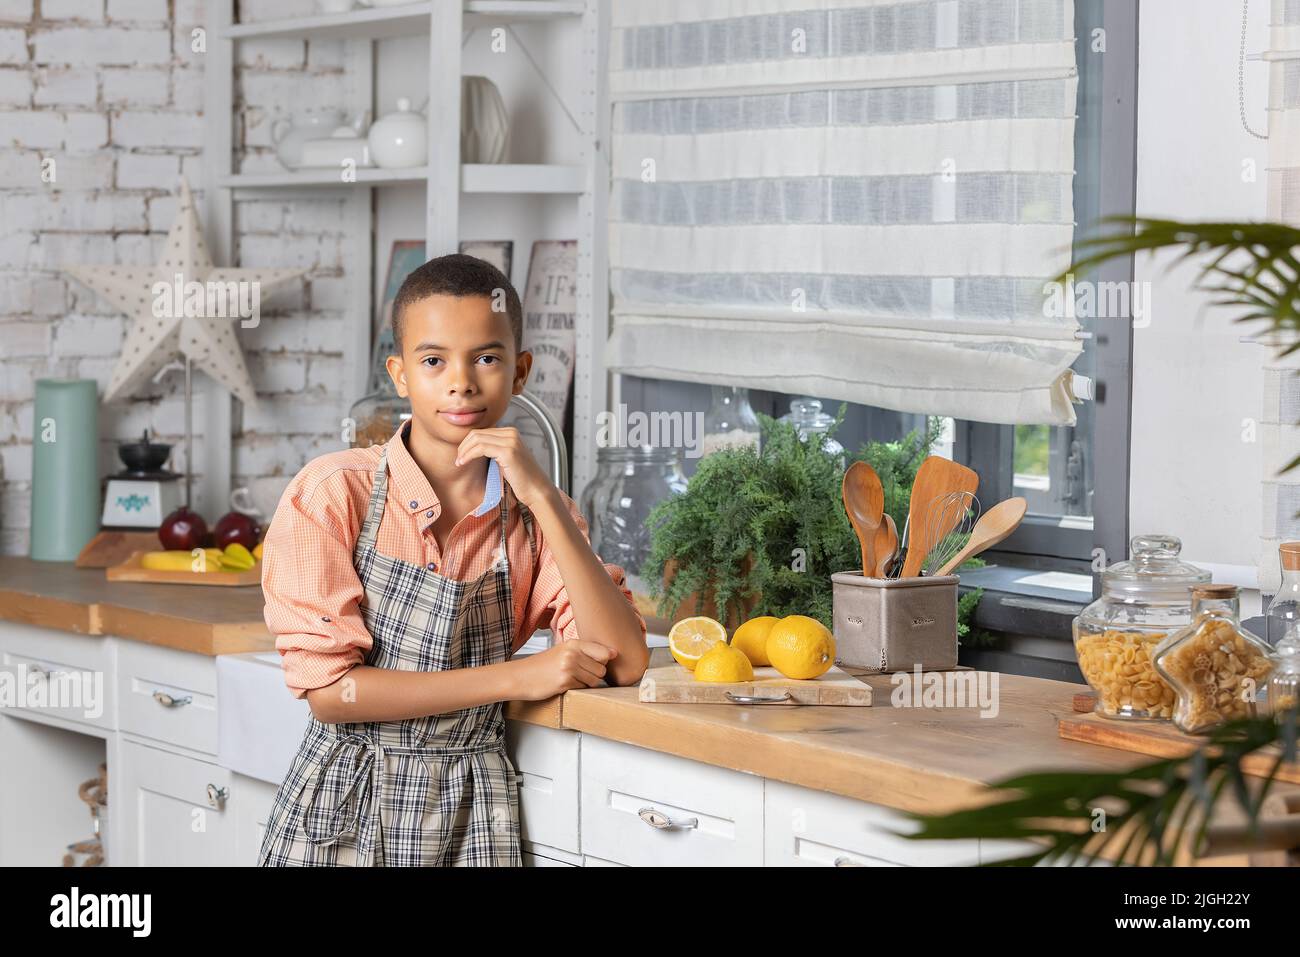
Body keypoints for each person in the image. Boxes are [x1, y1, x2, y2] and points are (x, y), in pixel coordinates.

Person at [256, 254, 649, 866]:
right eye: (434, 360)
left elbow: (623, 661)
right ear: (400, 374)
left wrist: (543, 495)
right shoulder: (335, 493)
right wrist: (518, 677)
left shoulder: (536, 517)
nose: (461, 382)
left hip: (476, 814)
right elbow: (333, 692)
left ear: (520, 372)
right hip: (346, 813)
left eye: (486, 358)